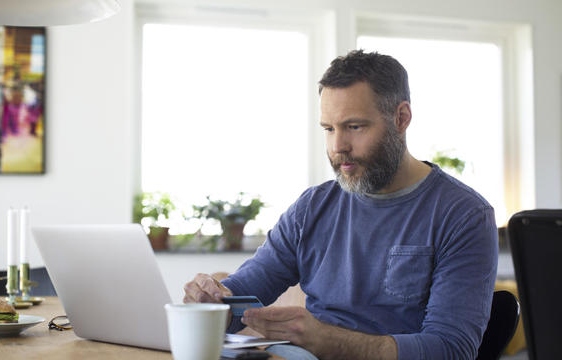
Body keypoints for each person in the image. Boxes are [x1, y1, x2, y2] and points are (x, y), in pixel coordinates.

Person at [183, 50, 498, 360]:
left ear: (401, 118)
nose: (338, 147)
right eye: (329, 129)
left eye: (355, 127)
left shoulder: (463, 215)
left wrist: (326, 340)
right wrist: (212, 302)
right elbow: (246, 293)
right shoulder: (312, 208)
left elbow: (451, 349)